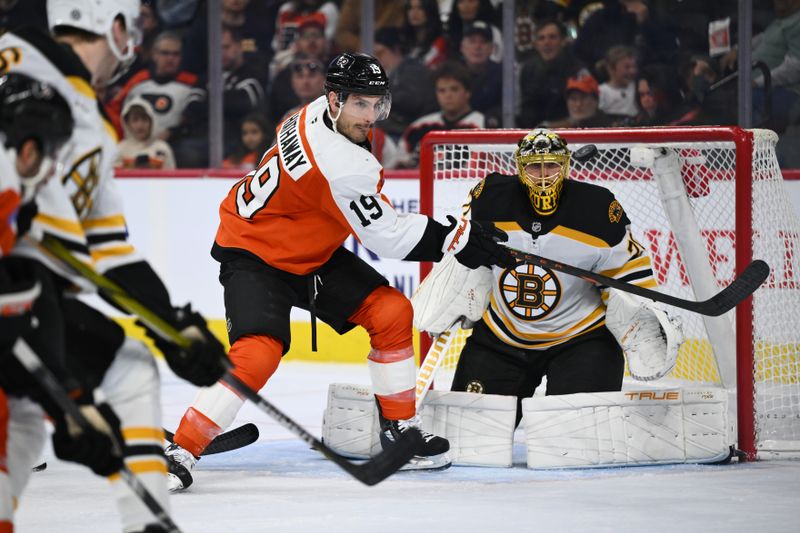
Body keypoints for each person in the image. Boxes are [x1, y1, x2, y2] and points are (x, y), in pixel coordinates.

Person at [163, 52, 515, 491]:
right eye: (360, 105)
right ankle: (183, 448)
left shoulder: (311, 113)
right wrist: (456, 237)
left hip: (307, 248)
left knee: (390, 311)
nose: (370, 116)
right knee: (260, 351)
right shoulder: (340, 163)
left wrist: (453, 235)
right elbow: (386, 237)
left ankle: (400, 430)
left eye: (376, 104)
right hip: (255, 250)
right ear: (334, 100)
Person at [0, 1, 229, 530]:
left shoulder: (87, 117)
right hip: (18, 294)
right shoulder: (40, 81)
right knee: (118, 376)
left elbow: (108, 251)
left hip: (24, 291)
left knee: (29, 418)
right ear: (114, 23)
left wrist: (172, 325)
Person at [448, 129, 657, 424]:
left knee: (574, 440)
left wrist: (640, 319)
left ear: (566, 165)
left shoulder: (597, 208)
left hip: (581, 339)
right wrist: (455, 292)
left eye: (552, 165)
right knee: (471, 436)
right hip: (502, 337)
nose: (543, 175)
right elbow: (463, 252)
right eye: (534, 165)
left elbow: (627, 270)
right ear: (520, 167)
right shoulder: (489, 199)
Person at [398, 60, 484, 167]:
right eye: (442, 90)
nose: (448, 95)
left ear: (467, 92)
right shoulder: (418, 128)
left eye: (454, 89)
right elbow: (401, 166)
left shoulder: (482, 126)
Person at [115, 96, 177, 169]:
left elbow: (171, 177)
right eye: (135, 120)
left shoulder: (163, 148)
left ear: (151, 122)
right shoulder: (120, 149)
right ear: (127, 124)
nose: (140, 125)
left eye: (144, 120)